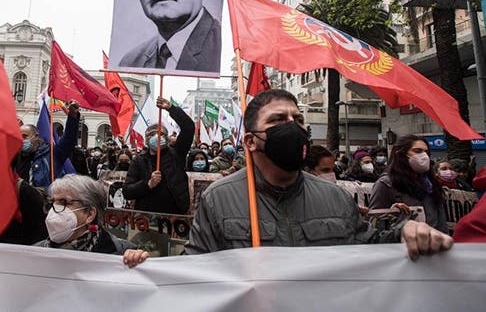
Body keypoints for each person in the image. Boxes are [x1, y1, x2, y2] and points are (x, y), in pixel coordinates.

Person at [185, 89, 453, 260]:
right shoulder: (218, 198)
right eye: (278, 120)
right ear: (250, 141)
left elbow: (369, 249)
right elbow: (194, 269)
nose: (293, 126)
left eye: (298, 120)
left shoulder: (335, 197)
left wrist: (406, 230)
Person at [35, 175, 148, 268]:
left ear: (89, 214)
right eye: (53, 202)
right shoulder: (34, 253)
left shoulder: (121, 252)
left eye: (64, 202)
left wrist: (139, 262)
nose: (55, 209)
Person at [122, 96, 194, 214]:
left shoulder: (177, 153)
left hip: (174, 215)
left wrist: (171, 109)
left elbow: (189, 127)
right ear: (146, 140)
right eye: (152, 134)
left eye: (161, 134)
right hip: (146, 217)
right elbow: (127, 192)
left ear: (167, 138)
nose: (157, 137)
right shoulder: (139, 161)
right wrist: (148, 184)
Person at [370, 135, 449, 233]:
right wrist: (392, 214)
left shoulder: (431, 184)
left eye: (426, 152)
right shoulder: (386, 184)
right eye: (417, 151)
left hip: (432, 243)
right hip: (402, 245)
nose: (424, 156)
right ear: (400, 154)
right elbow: (373, 224)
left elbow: (441, 223)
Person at [13, 100, 80, 191]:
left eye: (25, 136)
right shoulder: (15, 157)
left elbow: (69, 140)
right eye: (19, 136)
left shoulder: (52, 154)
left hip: (45, 202)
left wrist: (72, 117)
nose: (21, 140)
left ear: (36, 136)